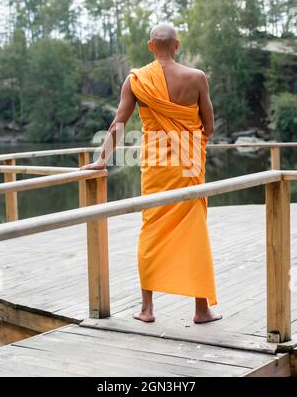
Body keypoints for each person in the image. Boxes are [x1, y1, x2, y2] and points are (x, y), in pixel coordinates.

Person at [80, 23, 221, 324]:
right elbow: (208, 127)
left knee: (151, 231)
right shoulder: (197, 78)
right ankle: (201, 309)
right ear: (177, 44)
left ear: (150, 46)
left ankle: (147, 309)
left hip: (156, 167)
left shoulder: (136, 81)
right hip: (189, 165)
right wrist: (188, 136)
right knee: (194, 231)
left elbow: (118, 123)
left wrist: (100, 160)